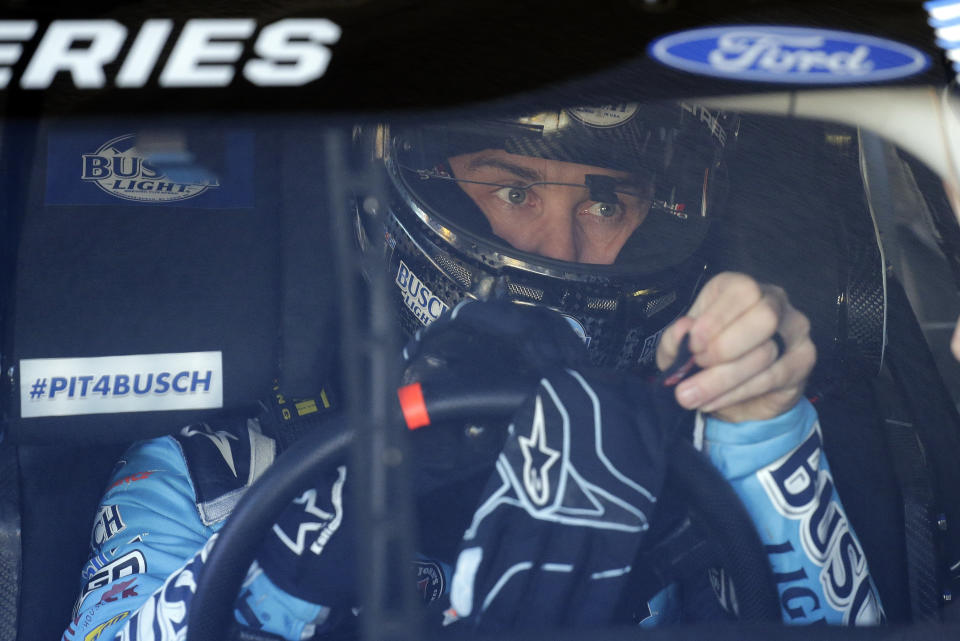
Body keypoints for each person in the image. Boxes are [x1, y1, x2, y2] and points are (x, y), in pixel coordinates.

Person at [62, 101, 884, 641]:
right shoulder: (211, 473)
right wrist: (321, 518)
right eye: (513, 190)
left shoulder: (680, 459)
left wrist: (762, 427)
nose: (556, 251)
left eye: (605, 204)